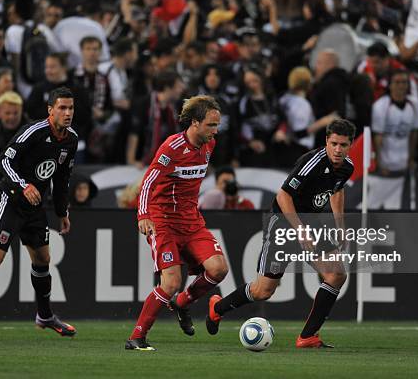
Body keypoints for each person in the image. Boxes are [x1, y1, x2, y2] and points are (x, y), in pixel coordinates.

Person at [205, 119, 356, 348]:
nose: (338, 149)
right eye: (333, 143)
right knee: (263, 290)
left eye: (343, 145)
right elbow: (283, 196)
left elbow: (337, 190)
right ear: (326, 140)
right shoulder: (311, 162)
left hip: (311, 223)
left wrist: (340, 225)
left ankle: (307, 337)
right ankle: (218, 308)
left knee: (336, 274)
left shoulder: (347, 166)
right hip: (284, 223)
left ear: (350, 145)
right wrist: (300, 229)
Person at [0, 87, 78, 342]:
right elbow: (3, 162)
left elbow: (62, 179)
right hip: (10, 198)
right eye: (62, 108)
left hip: (35, 206)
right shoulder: (33, 132)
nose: (67, 113)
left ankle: (44, 315)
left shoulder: (71, 139)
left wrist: (62, 211)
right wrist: (24, 185)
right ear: (50, 110)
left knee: (43, 259)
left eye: (71, 108)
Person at [126, 95, 229, 351]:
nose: (215, 131)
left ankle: (182, 303)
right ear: (194, 123)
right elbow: (148, 181)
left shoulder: (209, 145)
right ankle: (137, 337)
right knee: (170, 282)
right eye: (211, 125)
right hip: (163, 220)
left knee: (218, 269)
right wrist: (143, 215)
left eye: (217, 126)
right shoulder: (172, 147)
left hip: (192, 220)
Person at [369, 69, 418, 210]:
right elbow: (378, 137)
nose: (401, 86)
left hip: (404, 162)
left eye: (404, 82)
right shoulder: (380, 106)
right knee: (377, 203)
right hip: (386, 164)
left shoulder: (414, 104)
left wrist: (411, 158)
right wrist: (380, 163)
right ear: (390, 85)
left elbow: (414, 133)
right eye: (397, 82)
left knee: (399, 204)